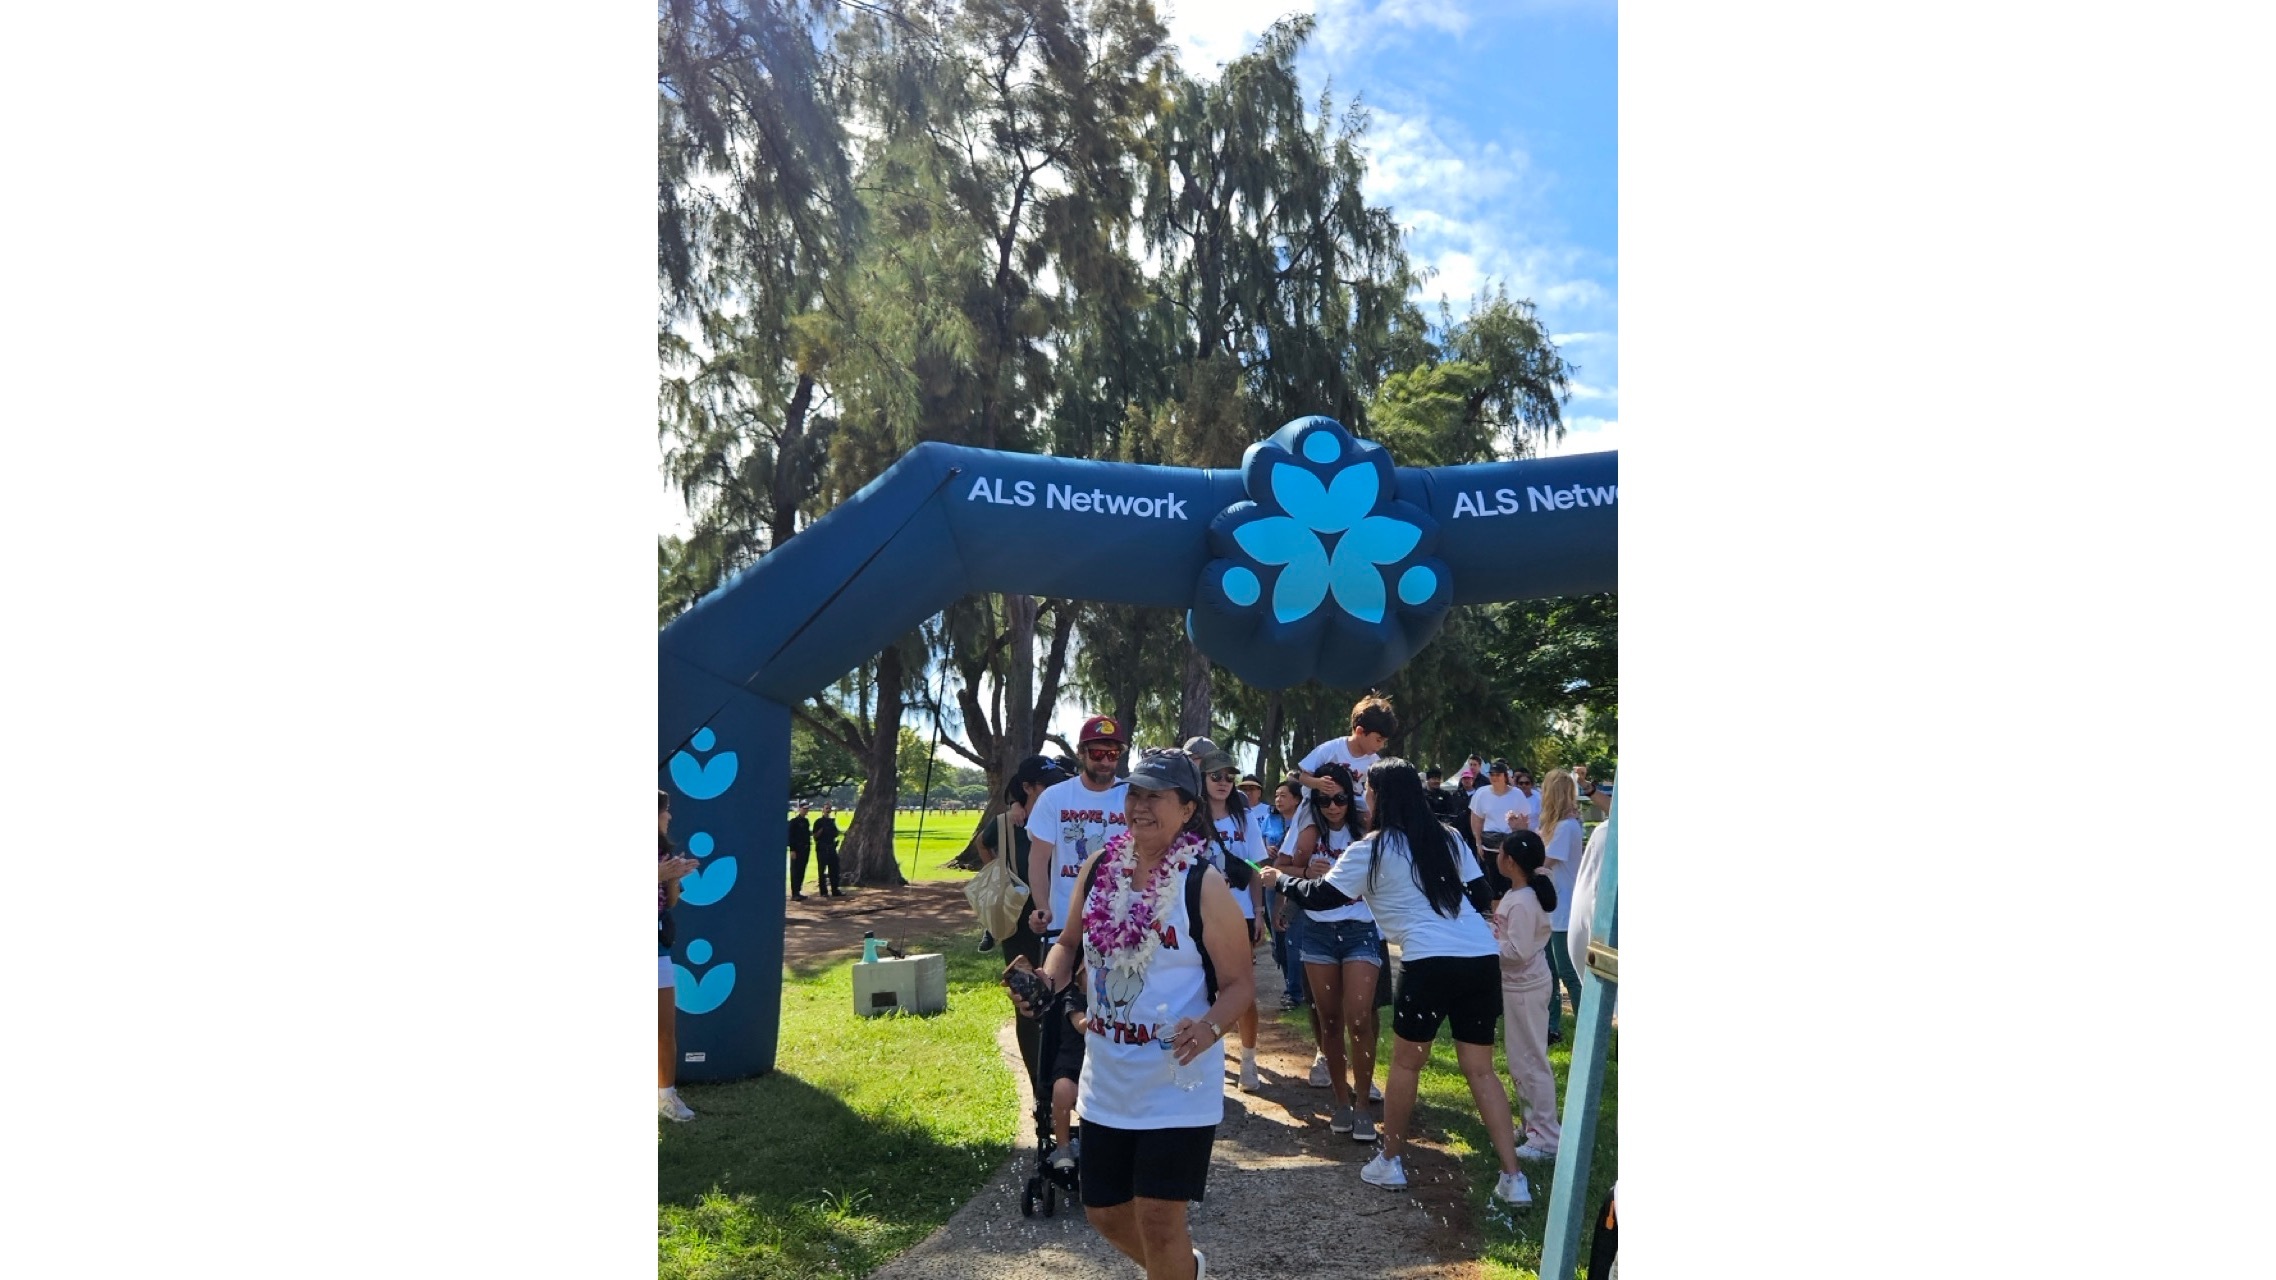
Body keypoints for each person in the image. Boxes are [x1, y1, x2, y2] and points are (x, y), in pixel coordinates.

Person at [1012, 748, 1254, 1280]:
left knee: (1160, 1219)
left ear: (1188, 809)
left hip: (1177, 1078)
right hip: (1107, 1077)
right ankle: (1183, 1272)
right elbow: (1069, 942)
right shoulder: (1101, 867)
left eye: (1156, 796)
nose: (1140, 806)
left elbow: (1240, 984)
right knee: (1102, 1211)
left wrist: (1211, 1026)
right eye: (1135, 794)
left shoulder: (1203, 885)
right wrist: (1046, 983)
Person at [1258, 759, 1531, 1207]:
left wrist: (1279, 879)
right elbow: (1481, 894)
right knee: (1481, 1069)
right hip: (1480, 958)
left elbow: (1324, 894)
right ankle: (1513, 1177)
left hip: (1429, 961)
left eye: (1368, 789)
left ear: (1380, 797)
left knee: (1407, 1065)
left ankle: (1390, 1161)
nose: (1364, 796)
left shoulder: (1371, 849)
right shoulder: (1450, 837)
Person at [1288, 760, 1381, 1139]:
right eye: (1324, 800)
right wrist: (1308, 873)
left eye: (1340, 798)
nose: (1333, 806)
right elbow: (1280, 868)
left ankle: (1363, 1105)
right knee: (1329, 1021)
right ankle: (1341, 1103)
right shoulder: (1308, 828)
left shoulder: (1367, 831)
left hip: (1360, 929)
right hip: (1317, 931)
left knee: (1359, 1018)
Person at [977, 754, 1073, 1096]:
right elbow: (983, 843)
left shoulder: (1066, 814)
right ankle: (1039, 1087)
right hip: (1019, 927)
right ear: (1028, 788)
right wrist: (1000, 875)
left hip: (1063, 926)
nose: (1057, 789)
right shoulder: (1008, 823)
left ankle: (1066, 1079)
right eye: (1048, 784)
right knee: (1028, 1004)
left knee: (1068, 1002)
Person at [1185, 737, 1267, 1091]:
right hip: (1198, 913)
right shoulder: (1190, 815)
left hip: (1240, 913)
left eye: (1229, 776)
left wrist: (1260, 911)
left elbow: (1256, 866)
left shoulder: (1244, 816)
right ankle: (1206, 1055)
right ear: (1202, 778)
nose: (1223, 782)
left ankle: (1248, 1060)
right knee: (1201, 985)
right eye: (1215, 775)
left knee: (1241, 987)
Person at [1025, 715, 1130, 948]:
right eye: (1097, 754)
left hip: (1121, 925)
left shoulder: (1132, 796)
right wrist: (1042, 907)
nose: (1105, 761)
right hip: (1065, 925)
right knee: (1063, 984)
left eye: (1112, 755)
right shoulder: (1054, 797)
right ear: (1081, 752)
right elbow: (1038, 860)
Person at [1492, 829, 1563, 1161]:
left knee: (1531, 1060)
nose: (1497, 856)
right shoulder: (1523, 891)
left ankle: (1546, 1137)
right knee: (1521, 1059)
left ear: (1511, 861)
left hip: (1525, 987)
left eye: (1501, 852)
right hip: (1520, 986)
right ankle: (1532, 1125)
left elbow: (1516, 951)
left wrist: (1485, 944)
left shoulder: (1522, 901)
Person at [1288, 694, 1398, 842]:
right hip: (1318, 804)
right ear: (1360, 732)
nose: (1381, 746)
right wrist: (1317, 783)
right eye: (1378, 740)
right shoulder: (1330, 749)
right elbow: (1302, 776)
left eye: (1384, 741)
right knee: (1306, 840)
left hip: (1353, 806)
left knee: (1373, 823)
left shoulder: (1374, 762)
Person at [659, 790, 701, 1122]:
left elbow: (670, 903)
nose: (669, 816)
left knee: (664, 1028)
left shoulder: (662, 852)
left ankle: (666, 1097)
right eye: (665, 810)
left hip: (656, 948)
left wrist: (673, 877)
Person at [1536, 770, 1587, 1043]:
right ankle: (1552, 1026)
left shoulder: (1567, 827)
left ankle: (1585, 1030)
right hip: (1553, 906)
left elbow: (1544, 863)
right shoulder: (1558, 825)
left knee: (1568, 972)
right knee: (1550, 972)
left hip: (1564, 908)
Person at [1263, 780, 1309, 1015]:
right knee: (1277, 936)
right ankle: (1289, 982)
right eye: (1276, 795)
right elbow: (1260, 845)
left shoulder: (1306, 822)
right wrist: (1266, 849)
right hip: (1272, 883)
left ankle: (1295, 991)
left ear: (1297, 799)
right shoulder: (1269, 818)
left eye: (1284, 795)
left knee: (1293, 935)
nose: (1279, 799)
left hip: (1296, 884)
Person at [812, 803, 843, 898]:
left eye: (829, 808)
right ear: (823, 810)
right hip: (822, 848)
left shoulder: (831, 821)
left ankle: (835, 889)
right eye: (826, 808)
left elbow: (836, 833)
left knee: (834, 869)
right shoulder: (818, 822)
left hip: (831, 848)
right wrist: (821, 831)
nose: (828, 810)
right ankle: (823, 891)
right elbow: (815, 836)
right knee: (822, 870)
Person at [786, 800, 813, 901]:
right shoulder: (794, 822)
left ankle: (798, 890)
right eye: (804, 808)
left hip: (805, 849)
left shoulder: (806, 822)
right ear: (799, 809)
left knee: (802, 870)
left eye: (807, 809)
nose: (806, 810)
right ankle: (794, 893)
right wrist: (792, 849)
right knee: (795, 871)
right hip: (796, 850)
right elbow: (790, 837)